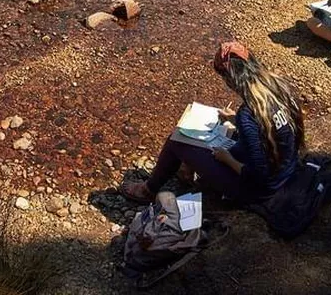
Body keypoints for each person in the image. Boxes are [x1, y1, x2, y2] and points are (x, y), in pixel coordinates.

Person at [121, 42, 303, 205]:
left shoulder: (248, 114)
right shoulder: (279, 88)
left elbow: (256, 175)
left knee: (176, 140)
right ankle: (186, 170)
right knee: (223, 134)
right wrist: (234, 120)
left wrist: (227, 159)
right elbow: (268, 130)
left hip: (258, 191)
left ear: (230, 79)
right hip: (285, 172)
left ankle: (149, 190)